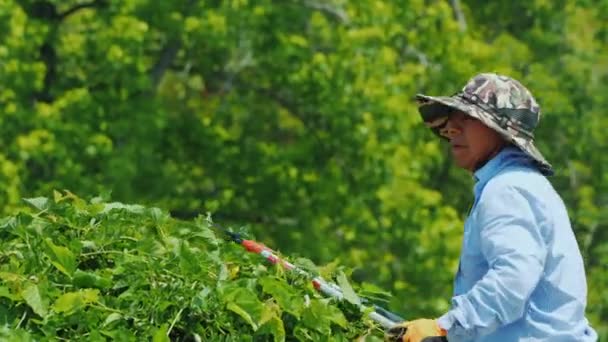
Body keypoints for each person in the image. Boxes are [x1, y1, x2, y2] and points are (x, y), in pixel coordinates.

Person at [386, 73, 598, 342]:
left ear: (501, 133)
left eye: (468, 118)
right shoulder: (520, 184)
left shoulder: (507, 189)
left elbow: (513, 279)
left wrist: (445, 329)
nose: (451, 128)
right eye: (452, 119)